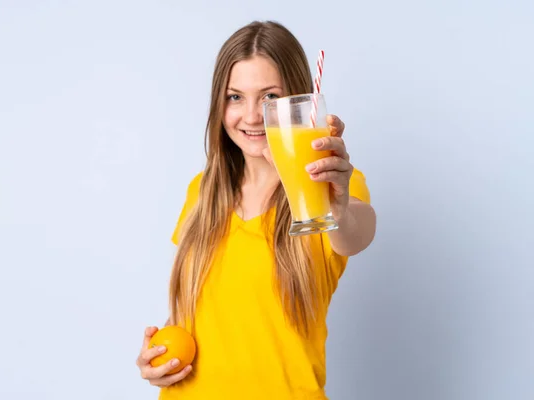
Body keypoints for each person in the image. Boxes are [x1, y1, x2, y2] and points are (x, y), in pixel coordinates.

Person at [136, 20, 377, 399]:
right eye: (235, 97)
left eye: (269, 98)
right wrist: (159, 359)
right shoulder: (201, 193)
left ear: (299, 102)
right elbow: (200, 316)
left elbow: (355, 235)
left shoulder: (325, 191)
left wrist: (337, 205)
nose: (250, 116)